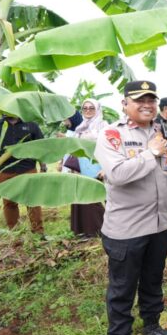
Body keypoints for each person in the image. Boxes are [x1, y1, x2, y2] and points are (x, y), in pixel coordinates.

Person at [94, 81, 167, 335]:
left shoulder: (164, 132)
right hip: (127, 229)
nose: (147, 105)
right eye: (139, 100)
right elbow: (117, 174)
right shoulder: (112, 134)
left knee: (153, 280)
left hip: (159, 225)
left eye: (151, 100)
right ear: (125, 104)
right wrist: (151, 152)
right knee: (123, 287)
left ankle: (152, 327)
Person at [0, 115, 46, 234]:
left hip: (27, 169)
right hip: (4, 171)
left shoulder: (31, 125)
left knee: (32, 201)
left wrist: (43, 165)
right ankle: (15, 233)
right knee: (9, 203)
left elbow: (40, 147)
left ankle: (38, 232)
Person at [67, 99, 107, 238]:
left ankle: (103, 229)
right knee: (82, 199)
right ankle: (85, 230)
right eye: (85, 108)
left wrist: (106, 168)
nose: (88, 110)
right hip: (82, 166)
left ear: (97, 109)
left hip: (99, 166)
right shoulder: (80, 127)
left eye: (91, 108)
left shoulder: (104, 127)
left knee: (98, 199)